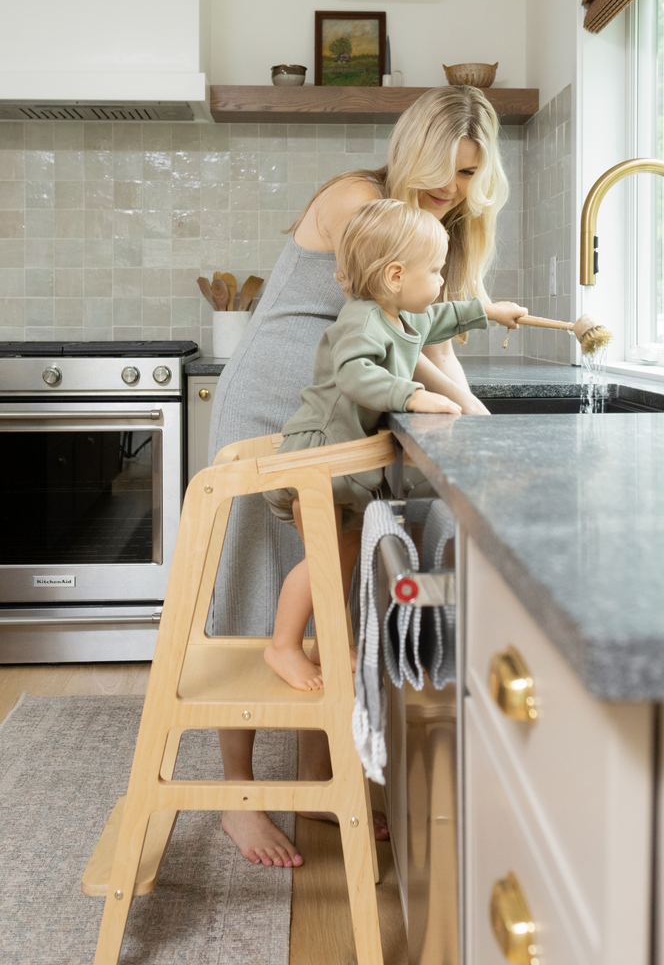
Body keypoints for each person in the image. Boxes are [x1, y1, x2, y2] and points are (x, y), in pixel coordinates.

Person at [208, 85, 510, 867]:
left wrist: (473, 410)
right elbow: (410, 338)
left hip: (347, 417)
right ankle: (238, 794)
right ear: (412, 147)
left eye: (472, 176)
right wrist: (463, 405)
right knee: (250, 590)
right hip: (274, 406)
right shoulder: (359, 200)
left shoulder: (436, 229)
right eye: (445, 168)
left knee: (333, 591)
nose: (454, 189)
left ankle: (321, 771)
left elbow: (435, 344)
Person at [262, 199, 526, 691]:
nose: (442, 280)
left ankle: (328, 643)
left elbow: (443, 317)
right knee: (325, 559)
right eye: (436, 270)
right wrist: (414, 394)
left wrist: (489, 311)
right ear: (396, 276)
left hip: (341, 465)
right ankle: (282, 646)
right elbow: (355, 375)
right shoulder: (361, 321)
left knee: (339, 557)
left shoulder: (402, 317)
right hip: (318, 458)